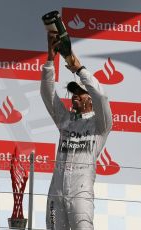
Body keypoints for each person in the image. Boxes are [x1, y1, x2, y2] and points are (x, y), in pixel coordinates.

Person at [41, 32, 112, 229]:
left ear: (90, 99)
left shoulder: (101, 125)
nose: (75, 97)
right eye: (73, 93)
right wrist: (49, 59)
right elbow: (47, 95)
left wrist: (80, 69)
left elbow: (102, 98)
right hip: (56, 191)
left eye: (80, 93)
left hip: (81, 193)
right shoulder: (65, 120)